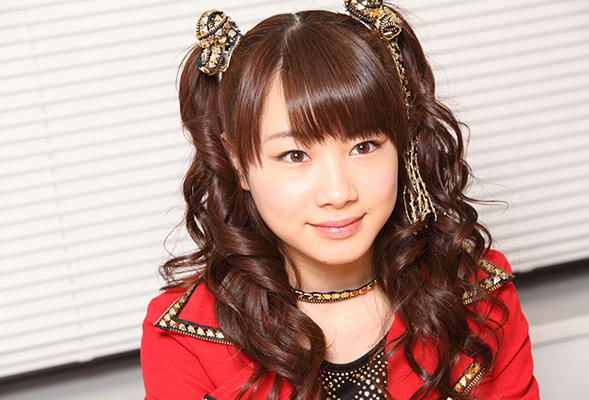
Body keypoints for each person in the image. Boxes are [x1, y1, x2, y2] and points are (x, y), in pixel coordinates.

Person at [141, 1, 539, 399]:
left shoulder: (476, 294)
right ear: (239, 164)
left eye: (364, 146)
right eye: (295, 155)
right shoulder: (186, 337)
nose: (338, 193)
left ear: (402, 145)